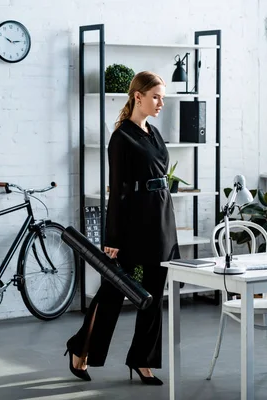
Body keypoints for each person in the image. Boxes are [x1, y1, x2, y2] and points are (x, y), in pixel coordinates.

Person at [65, 71, 180, 386]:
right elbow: (116, 192)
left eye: (163, 98)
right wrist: (112, 238)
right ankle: (81, 348)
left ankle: (143, 360)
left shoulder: (154, 133)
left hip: (161, 222)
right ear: (137, 96)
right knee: (112, 293)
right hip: (133, 227)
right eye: (155, 96)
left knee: (155, 295)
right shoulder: (121, 138)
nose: (160, 104)